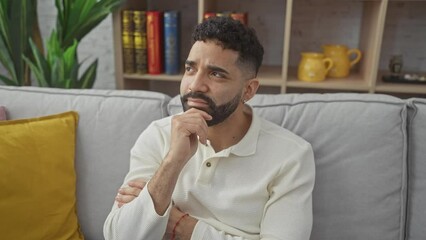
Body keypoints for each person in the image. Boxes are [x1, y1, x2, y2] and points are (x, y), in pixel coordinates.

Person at [104, 16, 315, 240]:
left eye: (216, 74)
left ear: (249, 90)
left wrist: (182, 227)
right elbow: (119, 236)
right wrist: (173, 161)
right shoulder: (158, 134)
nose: (195, 85)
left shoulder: (292, 155)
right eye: (190, 69)